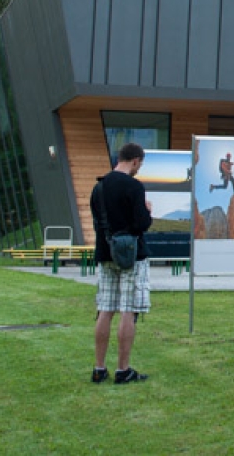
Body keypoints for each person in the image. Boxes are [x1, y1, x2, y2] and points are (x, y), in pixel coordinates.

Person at [90, 142, 153, 385]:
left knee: (105, 308)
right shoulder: (134, 187)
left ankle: (99, 368)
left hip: (106, 252)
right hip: (131, 255)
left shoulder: (99, 186)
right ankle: (123, 369)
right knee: (128, 309)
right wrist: (147, 211)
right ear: (135, 161)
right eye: (140, 164)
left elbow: (98, 222)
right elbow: (141, 224)